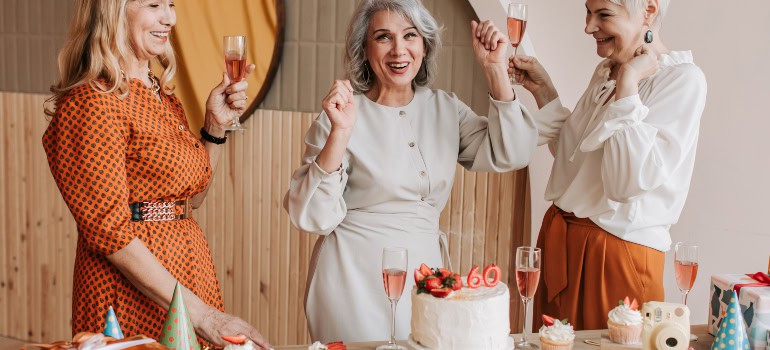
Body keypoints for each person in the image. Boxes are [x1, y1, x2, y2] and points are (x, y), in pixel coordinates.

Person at [284, 0, 538, 343]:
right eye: (384, 37)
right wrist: (340, 132)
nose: (399, 50)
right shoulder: (342, 113)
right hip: (352, 283)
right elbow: (309, 215)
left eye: (410, 35)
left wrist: (494, 69)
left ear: (425, 45)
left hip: (426, 280)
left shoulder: (446, 108)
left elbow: (515, 152)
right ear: (364, 48)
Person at [42, 1, 271, 348]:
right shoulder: (92, 102)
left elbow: (190, 199)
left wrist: (214, 127)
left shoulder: (160, 96)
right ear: (113, 10)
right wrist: (204, 315)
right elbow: (110, 233)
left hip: (187, 274)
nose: (170, 18)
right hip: (128, 292)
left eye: (172, 4)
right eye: (154, 4)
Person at [510, 0, 707, 330]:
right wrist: (544, 90)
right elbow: (575, 160)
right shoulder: (605, 71)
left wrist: (628, 86)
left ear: (649, 10)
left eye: (603, 14)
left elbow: (624, 184)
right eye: (588, 12)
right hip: (563, 245)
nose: (589, 26)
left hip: (617, 258)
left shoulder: (682, 80)